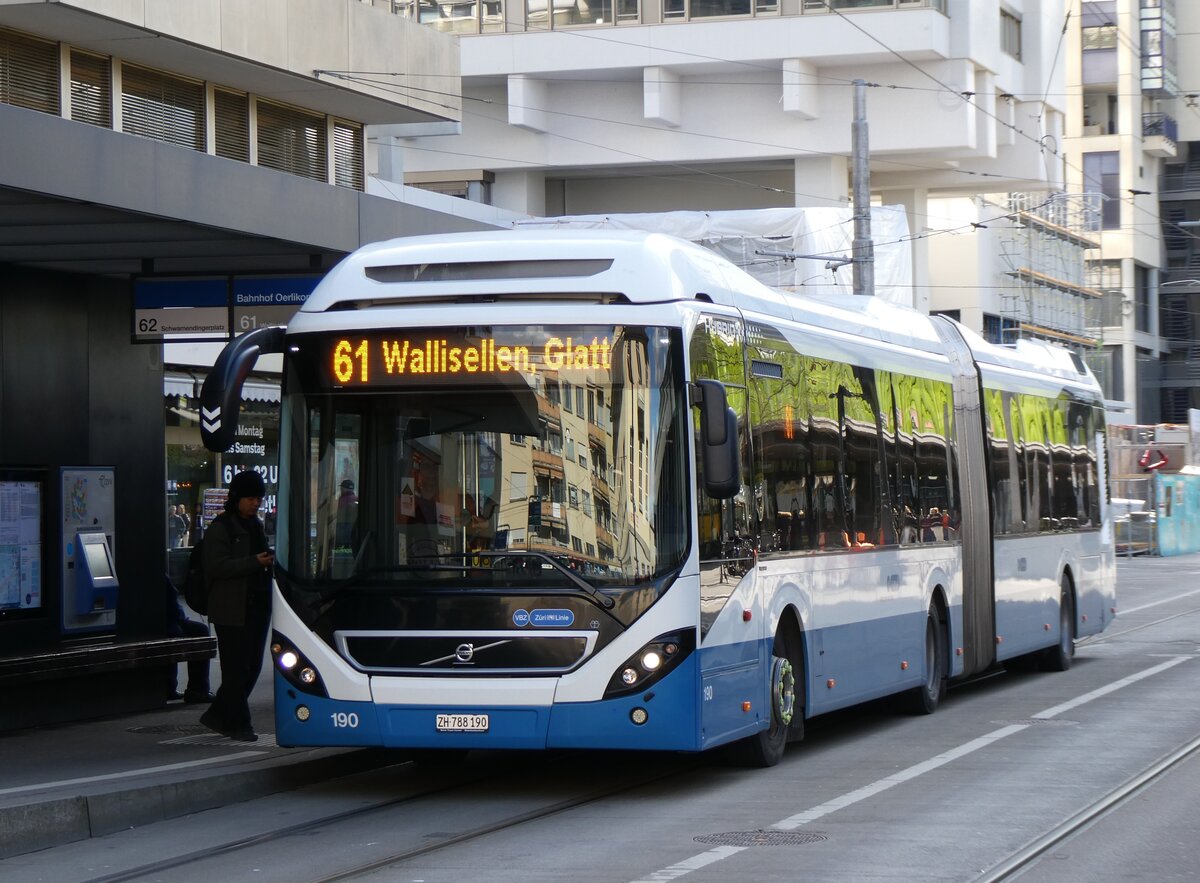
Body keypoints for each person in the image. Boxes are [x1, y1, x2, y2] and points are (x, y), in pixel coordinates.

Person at [199, 470, 274, 742]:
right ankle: (240, 724)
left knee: (252, 666)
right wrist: (255, 562)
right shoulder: (221, 527)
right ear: (236, 498)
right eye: (251, 498)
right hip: (231, 610)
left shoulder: (255, 525)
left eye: (259, 498)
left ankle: (219, 715)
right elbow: (216, 566)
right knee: (236, 669)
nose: (256, 503)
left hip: (256, 607)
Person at [165, 575, 213, 703]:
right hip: (167, 625)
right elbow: (173, 607)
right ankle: (198, 689)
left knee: (174, 632)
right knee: (200, 631)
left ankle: (169, 685)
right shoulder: (159, 574)